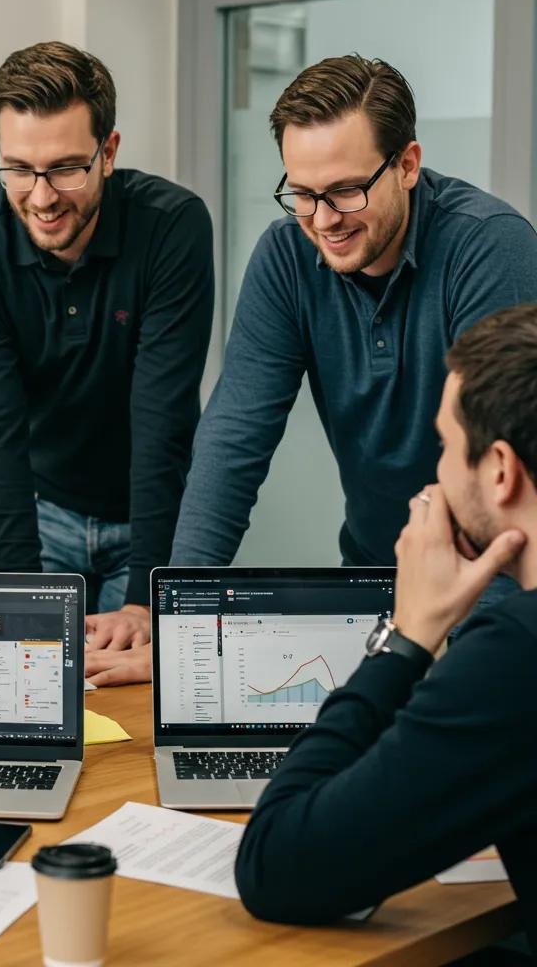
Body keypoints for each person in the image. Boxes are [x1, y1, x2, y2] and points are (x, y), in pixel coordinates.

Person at [88, 54, 537, 686]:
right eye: (302, 193)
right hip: (377, 575)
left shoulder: (489, 247)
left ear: (407, 165)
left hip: (497, 588)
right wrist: (179, 624)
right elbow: (234, 439)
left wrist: (460, 649)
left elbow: (499, 475)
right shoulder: (286, 257)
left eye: (347, 190)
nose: (323, 220)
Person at [234, 301, 537, 950]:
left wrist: (408, 635)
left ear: (502, 470)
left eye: (447, 447)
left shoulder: (518, 653)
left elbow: (275, 866)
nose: (437, 475)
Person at [0, 41, 214, 644]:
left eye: (65, 168)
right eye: (17, 169)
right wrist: (17, 590)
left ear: (108, 151)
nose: (41, 197)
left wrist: (145, 595)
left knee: (138, 705)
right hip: (43, 512)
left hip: (152, 515)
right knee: (38, 695)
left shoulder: (171, 226)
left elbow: (162, 416)